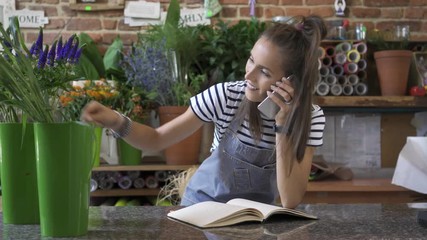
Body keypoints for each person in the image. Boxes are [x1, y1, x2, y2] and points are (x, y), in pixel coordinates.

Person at [81, 15, 327, 209]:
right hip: (201, 209)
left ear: (290, 82)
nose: (248, 75)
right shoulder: (226, 96)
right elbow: (157, 139)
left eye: (264, 72)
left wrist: (282, 126)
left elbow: (290, 199)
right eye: (251, 60)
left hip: (252, 218)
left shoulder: (310, 118)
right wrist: (115, 121)